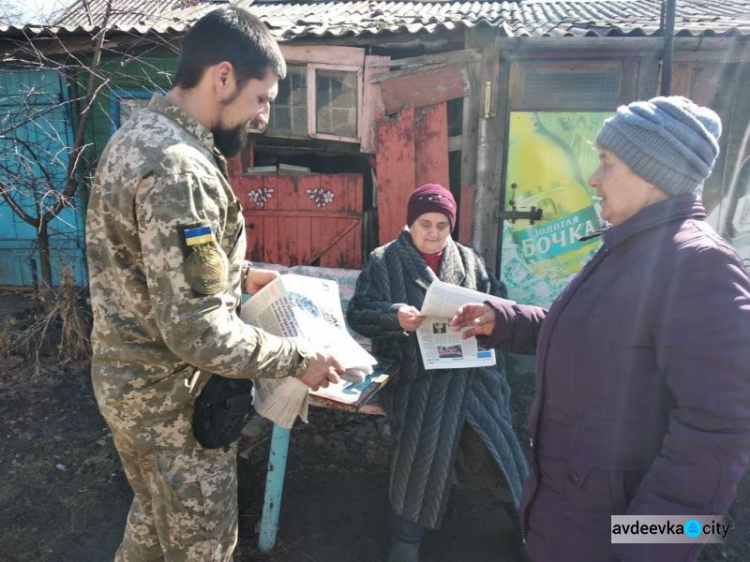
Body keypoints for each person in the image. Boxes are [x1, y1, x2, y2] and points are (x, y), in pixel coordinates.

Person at [86, 8, 343, 561]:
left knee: (154, 531)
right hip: (174, 411)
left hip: (133, 393)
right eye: (261, 98)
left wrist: (241, 274)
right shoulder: (182, 169)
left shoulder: (139, 138)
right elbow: (198, 333)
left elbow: (148, 262)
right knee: (202, 549)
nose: (265, 116)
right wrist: (297, 358)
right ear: (222, 77)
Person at [450, 96, 750, 561]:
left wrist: (647, 550)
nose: (592, 178)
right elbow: (597, 336)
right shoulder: (629, 248)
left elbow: (721, 431)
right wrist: (504, 320)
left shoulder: (699, 266)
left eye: (607, 162)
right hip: (570, 518)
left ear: (652, 172)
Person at [347, 183, 529, 562]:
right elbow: (359, 312)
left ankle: (526, 524)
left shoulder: (469, 260)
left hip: (471, 372)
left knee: (496, 438)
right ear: (410, 223)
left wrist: (486, 320)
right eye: (424, 223)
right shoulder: (384, 260)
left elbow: (500, 302)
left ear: (452, 226)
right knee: (422, 442)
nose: (433, 233)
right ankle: (406, 539)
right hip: (416, 373)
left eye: (442, 225)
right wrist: (394, 316)